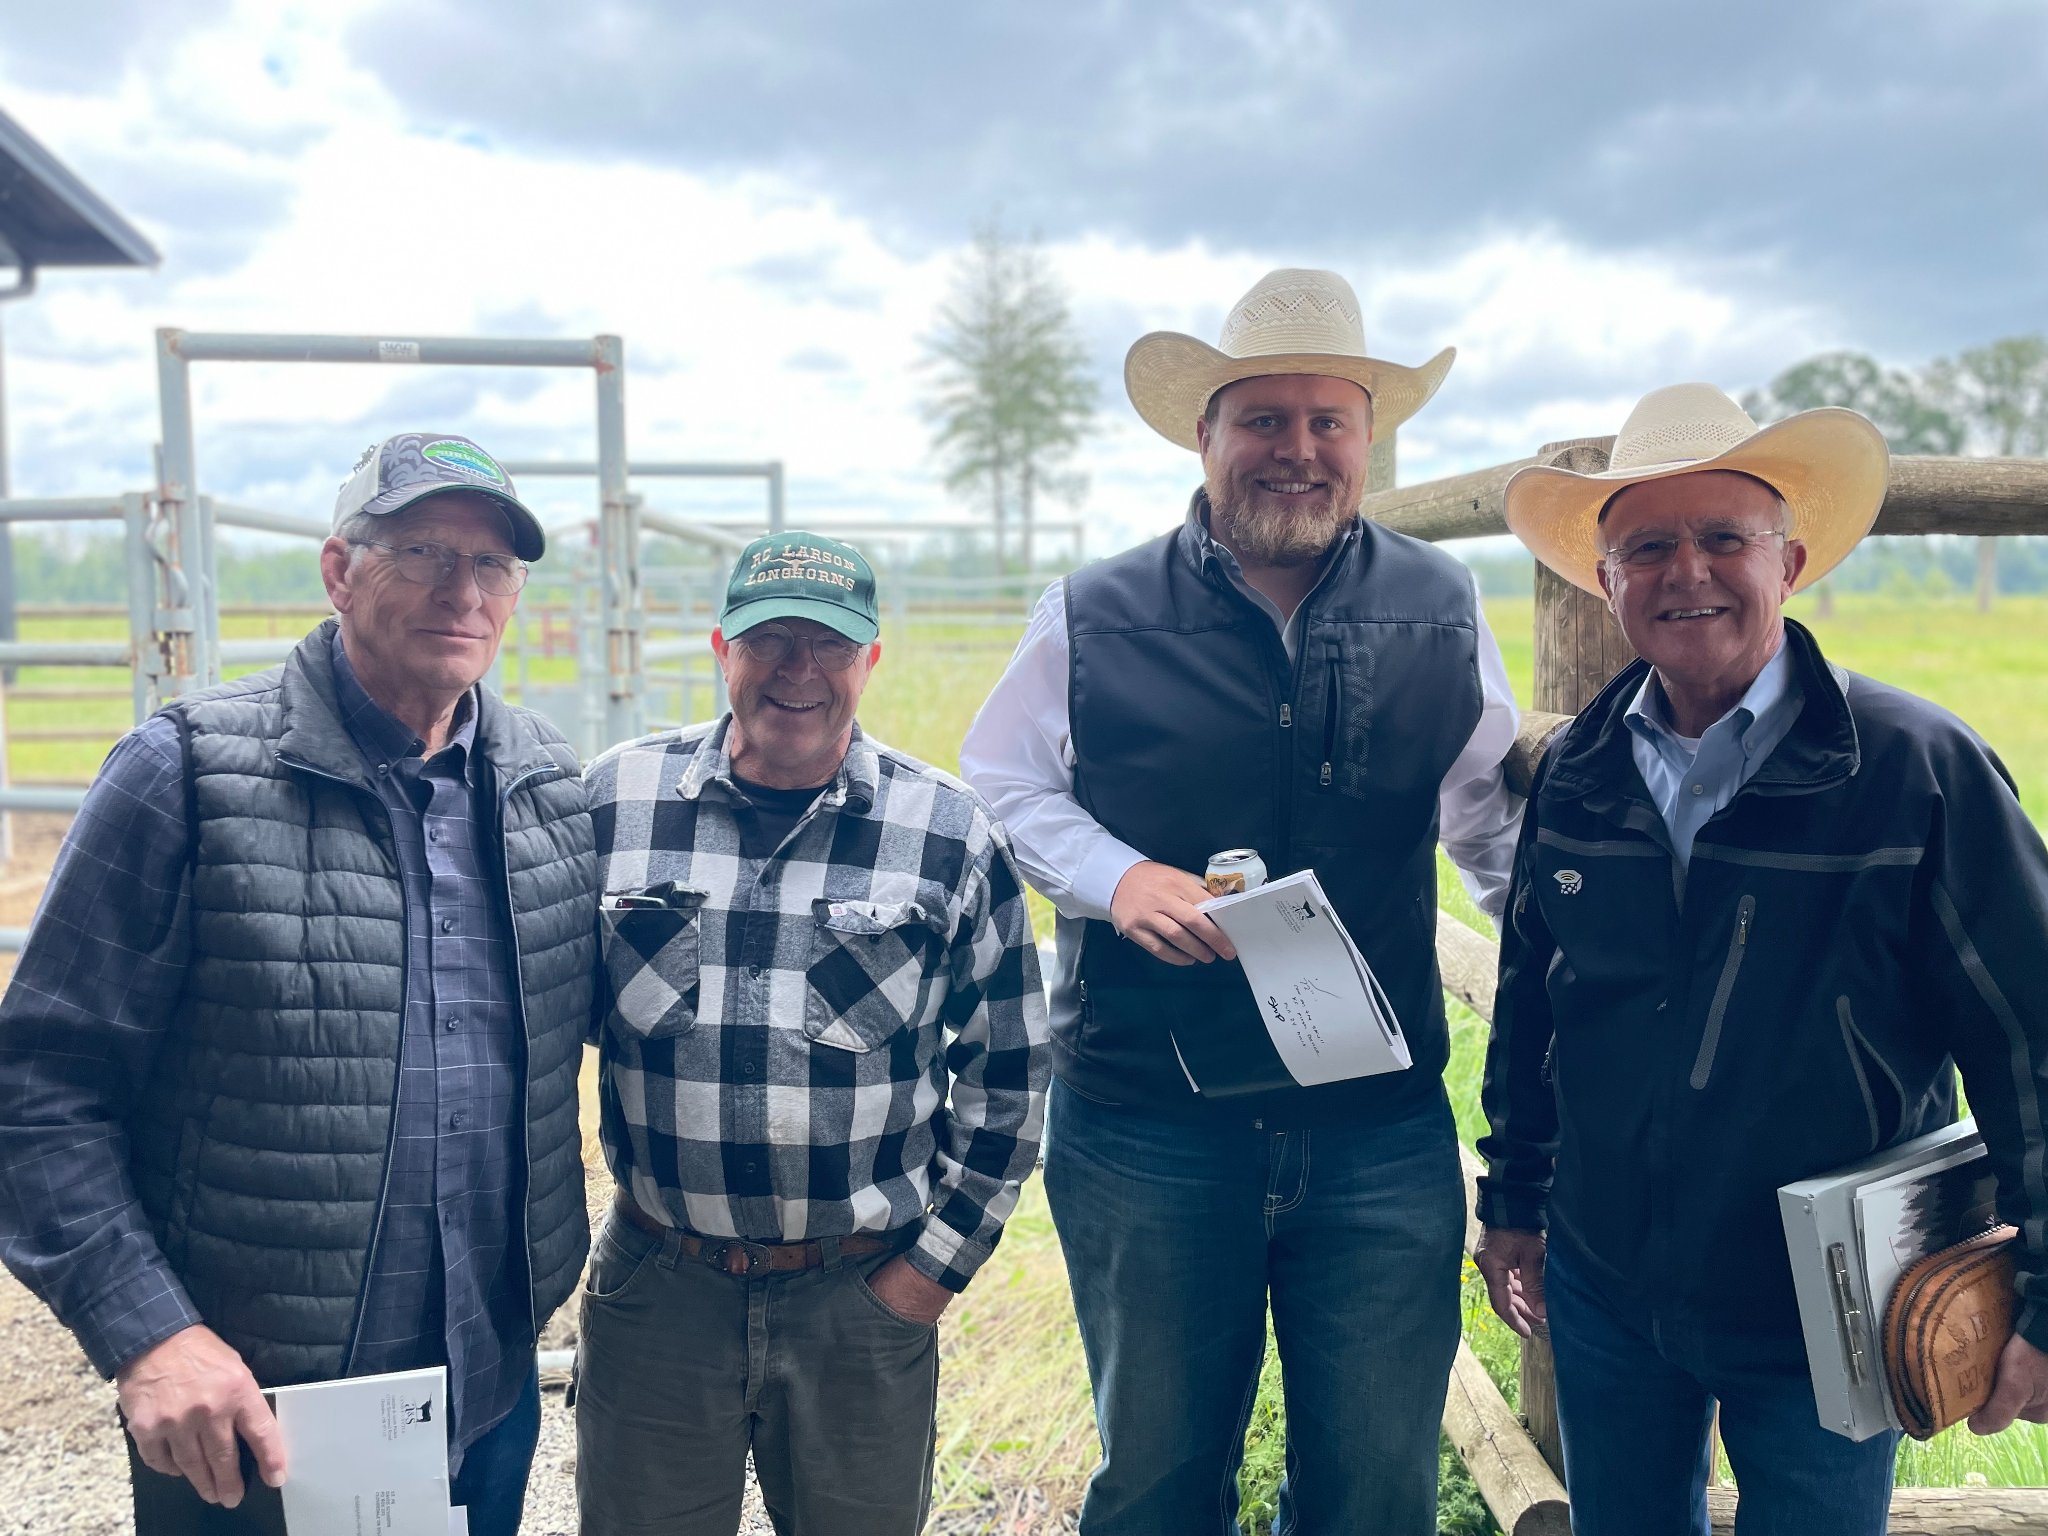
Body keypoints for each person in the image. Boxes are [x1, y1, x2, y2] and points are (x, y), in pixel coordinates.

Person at [961, 268, 1524, 1535]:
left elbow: (1486, 815)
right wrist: (1115, 877)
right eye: (1263, 420)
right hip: (1150, 1118)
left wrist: (1574, 967)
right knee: (1157, 1479)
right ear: (1203, 437)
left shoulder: (1439, 607)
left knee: (1375, 1491)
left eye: (1327, 422)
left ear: (1367, 443)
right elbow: (998, 780)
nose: (1297, 451)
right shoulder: (1095, 612)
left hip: (1374, 1127)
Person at [1474, 383, 2048, 1535]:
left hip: (1834, 1302)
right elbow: (1536, 1009)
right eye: (1647, 545)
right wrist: (1516, 1197)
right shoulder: (1578, 775)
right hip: (1604, 1281)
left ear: (1787, 565)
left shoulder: (1913, 771)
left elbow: (2030, 1037)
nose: (1686, 571)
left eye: (1723, 538)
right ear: (1607, 581)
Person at [0, 433, 597, 1536]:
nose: (462, 591)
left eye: (494, 566)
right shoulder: (189, 775)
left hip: (486, 1379)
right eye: (422, 551)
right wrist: (147, 1333)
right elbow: (37, 1091)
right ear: (338, 571)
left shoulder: (545, 790)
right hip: (248, 1411)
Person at [577, 530, 1049, 1536]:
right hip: (659, 1290)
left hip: (861, 1295)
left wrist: (926, 1276)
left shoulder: (947, 835)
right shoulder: (613, 804)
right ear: (720, 649)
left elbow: (1009, 1075)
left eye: (827, 645)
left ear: (869, 660)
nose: (798, 671)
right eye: (770, 641)